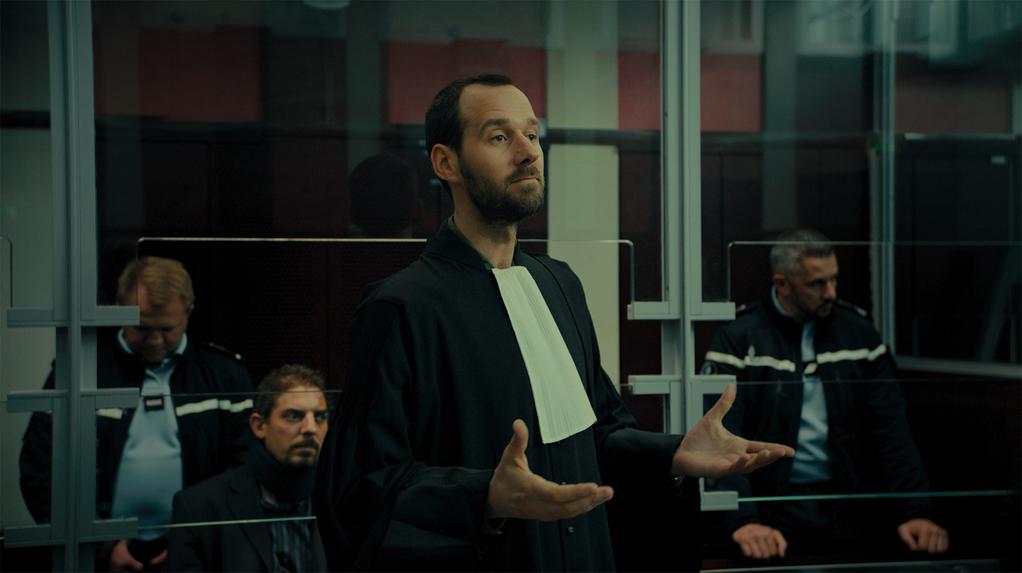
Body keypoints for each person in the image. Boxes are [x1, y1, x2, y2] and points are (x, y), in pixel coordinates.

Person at [315, 73, 794, 571]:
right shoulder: (399, 308)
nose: (527, 153)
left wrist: (672, 452)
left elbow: (599, 433)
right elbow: (360, 489)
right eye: (499, 137)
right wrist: (485, 495)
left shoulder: (559, 285)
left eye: (532, 134)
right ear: (445, 162)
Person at [702, 229, 949, 561]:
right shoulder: (739, 337)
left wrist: (915, 510)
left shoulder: (858, 333)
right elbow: (720, 434)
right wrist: (742, 520)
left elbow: (892, 431)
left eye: (834, 280)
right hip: (772, 508)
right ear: (783, 283)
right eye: (817, 284)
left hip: (848, 506)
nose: (831, 292)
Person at [19, 256, 254, 571]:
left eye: (167, 328)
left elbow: (244, 474)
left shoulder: (224, 377)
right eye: (141, 327)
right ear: (119, 310)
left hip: (197, 554)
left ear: (189, 313)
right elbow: (40, 471)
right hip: (96, 554)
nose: (155, 341)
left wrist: (196, 540)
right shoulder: (79, 375)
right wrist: (99, 544)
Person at [167, 364, 330, 572]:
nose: (310, 428)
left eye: (320, 417)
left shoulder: (342, 501)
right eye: (293, 416)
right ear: (259, 425)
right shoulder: (199, 508)